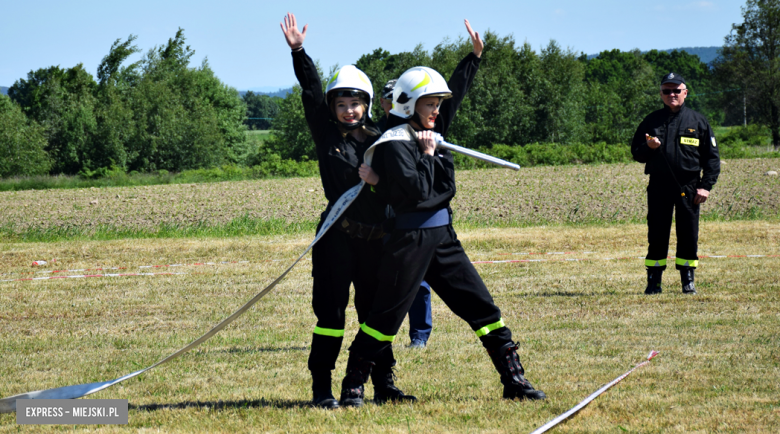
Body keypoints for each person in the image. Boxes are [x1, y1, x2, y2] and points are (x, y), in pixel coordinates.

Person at [338, 19, 546, 408]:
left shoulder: (428, 132)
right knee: (384, 318)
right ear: (408, 105)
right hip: (408, 241)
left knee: (484, 309)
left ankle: (514, 380)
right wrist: (433, 159)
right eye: (428, 104)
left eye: (437, 105)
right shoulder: (394, 143)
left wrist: (474, 59)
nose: (435, 111)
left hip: (444, 239)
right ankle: (354, 387)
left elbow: (444, 189)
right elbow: (421, 192)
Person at [280, 12, 414, 409]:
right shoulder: (325, 134)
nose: (349, 110)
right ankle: (322, 388)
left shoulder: (384, 138)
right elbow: (310, 89)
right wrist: (299, 52)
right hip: (336, 239)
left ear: (367, 104)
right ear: (333, 107)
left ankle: (383, 385)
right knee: (331, 316)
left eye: (355, 103)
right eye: (342, 103)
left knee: (376, 317)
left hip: (378, 242)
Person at [631, 72, 721, 295]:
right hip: (659, 186)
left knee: (688, 234)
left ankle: (687, 280)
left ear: (685, 93)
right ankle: (654, 281)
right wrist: (648, 148)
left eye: (676, 90)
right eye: (666, 91)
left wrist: (705, 186)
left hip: (689, 187)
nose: (672, 94)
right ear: (661, 94)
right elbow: (636, 153)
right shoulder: (651, 121)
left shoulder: (698, 121)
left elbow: (712, 158)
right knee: (657, 234)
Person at [377, 78, 433, 349]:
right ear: (382, 103)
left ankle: (419, 336)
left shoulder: (419, 132)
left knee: (418, 281)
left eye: (400, 100)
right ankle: (382, 336)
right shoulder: (374, 132)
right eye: (390, 100)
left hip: (411, 221)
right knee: (383, 281)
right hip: (380, 219)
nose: (395, 106)